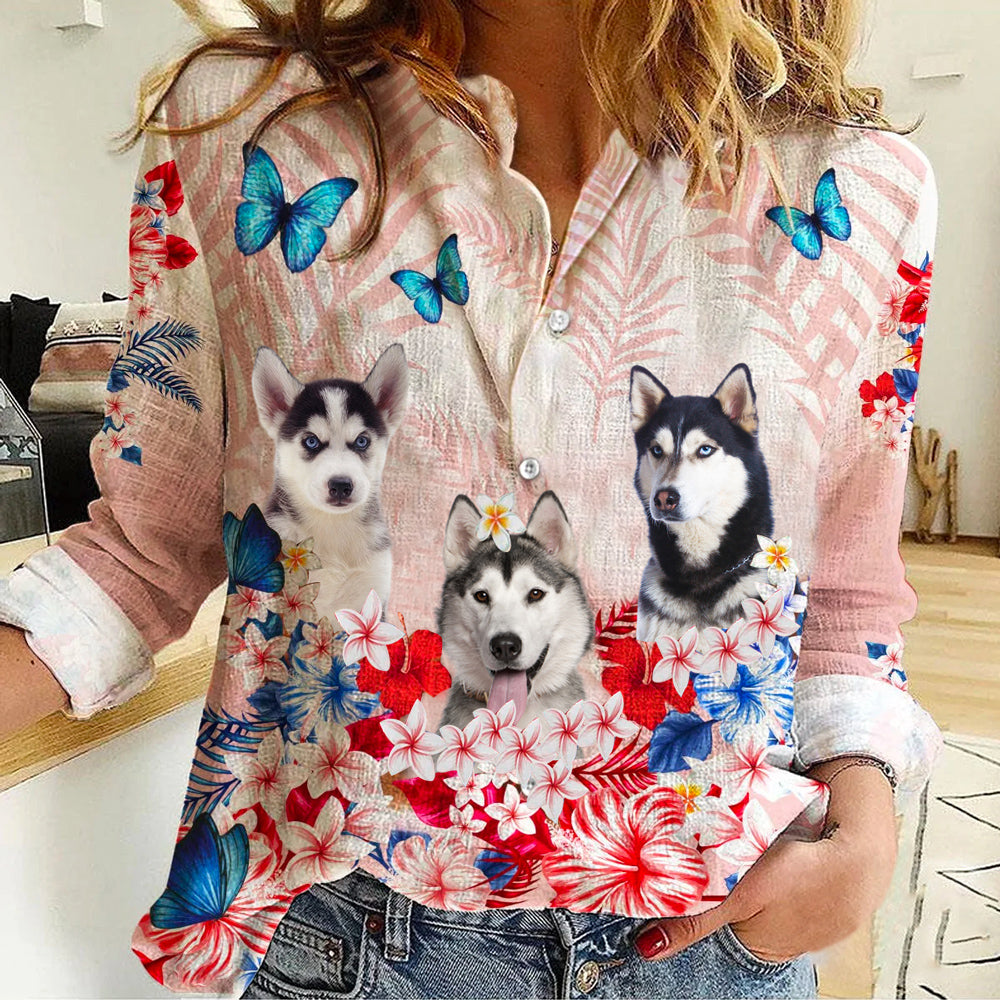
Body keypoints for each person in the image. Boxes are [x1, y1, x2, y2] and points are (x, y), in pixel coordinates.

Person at [0, 0, 941, 997]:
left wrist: (865, 827)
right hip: (353, 935)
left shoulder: (858, 191)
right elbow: (145, 552)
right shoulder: (241, 130)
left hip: (715, 935)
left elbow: (845, 601)